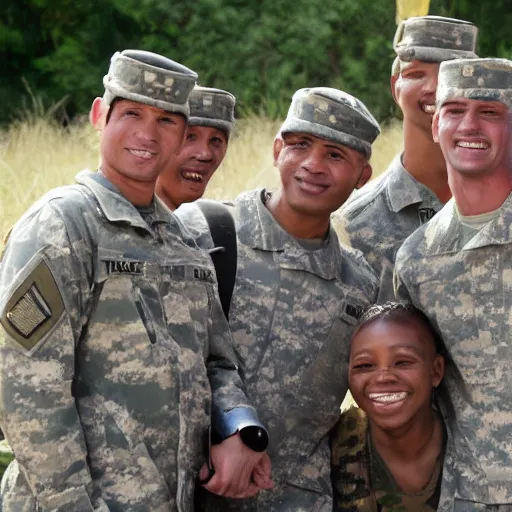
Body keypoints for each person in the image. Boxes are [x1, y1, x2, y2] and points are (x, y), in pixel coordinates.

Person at [0, 49, 269, 512]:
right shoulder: (64, 225)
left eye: (166, 121)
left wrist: (239, 428)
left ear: (182, 135)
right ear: (99, 115)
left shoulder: (184, 241)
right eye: (131, 114)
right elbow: (26, 389)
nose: (147, 133)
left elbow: (217, 363)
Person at [176, 87, 380, 511]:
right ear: (276, 150)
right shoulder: (205, 233)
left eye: (336, 155)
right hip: (196, 494)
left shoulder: (358, 282)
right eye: (300, 145)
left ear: (363, 177)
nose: (313, 165)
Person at [395, 58, 512, 510]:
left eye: (490, 112)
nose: (470, 125)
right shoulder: (418, 258)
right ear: (436, 120)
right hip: (471, 496)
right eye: (455, 109)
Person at [336, 16, 478, 302]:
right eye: (416, 74)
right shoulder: (352, 224)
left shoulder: (501, 204)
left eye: (451, 74)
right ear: (395, 86)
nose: (435, 87)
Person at [331, 302, 450, 511]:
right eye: (365, 365)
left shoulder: (468, 445)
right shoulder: (333, 445)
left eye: (403, 362)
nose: (384, 377)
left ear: (436, 370)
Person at [156, 85, 235, 210]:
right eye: (190, 137)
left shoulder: (221, 223)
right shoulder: (124, 220)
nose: (205, 154)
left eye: (215, 140)